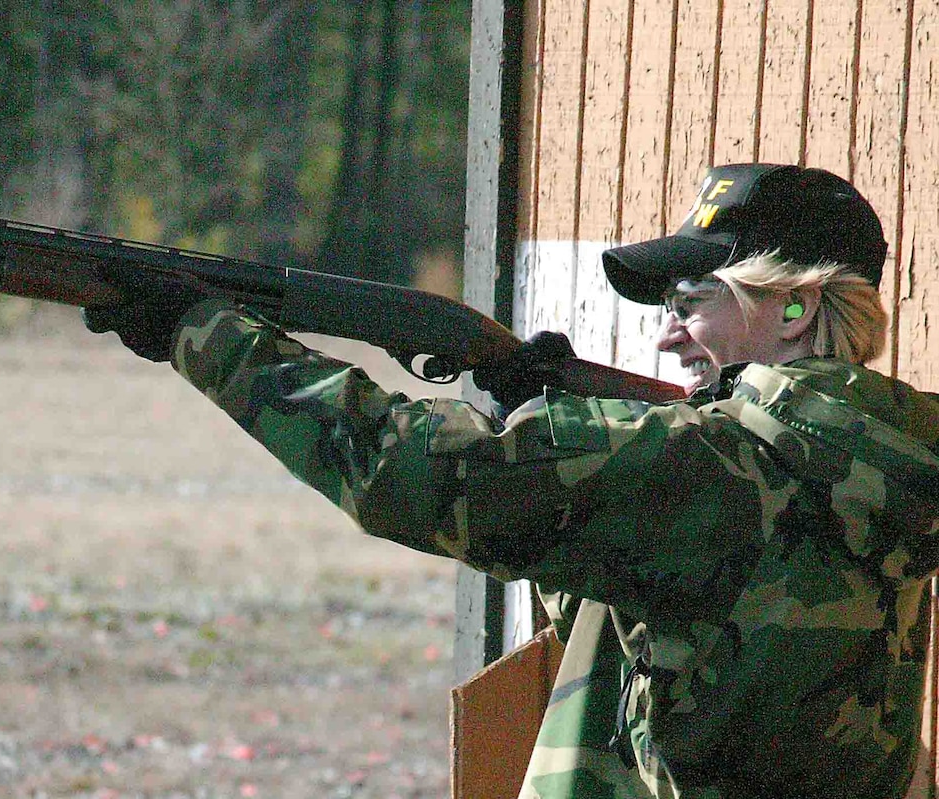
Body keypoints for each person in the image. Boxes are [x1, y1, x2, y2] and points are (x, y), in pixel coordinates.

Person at [82, 164, 939, 798]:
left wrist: (205, 332)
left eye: (691, 299)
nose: (670, 336)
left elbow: (404, 469)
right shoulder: (884, 461)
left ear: (792, 307)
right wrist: (560, 414)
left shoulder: (703, 470)